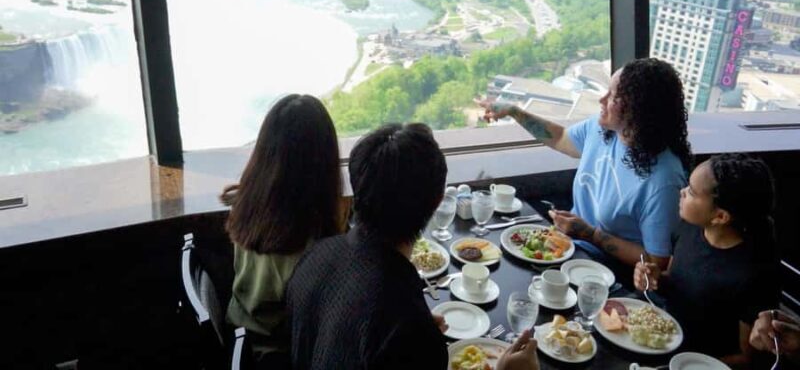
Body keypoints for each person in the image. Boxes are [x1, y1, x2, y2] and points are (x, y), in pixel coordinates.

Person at [285, 123, 539, 370]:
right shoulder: (406, 325)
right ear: (438, 201)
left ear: (357, 188)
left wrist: (409, 329)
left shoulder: (315, 256)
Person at [479, 58, 691, 272]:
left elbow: (657, 263)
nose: (602, 99)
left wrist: (591, 235)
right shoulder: (604, 130)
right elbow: (561, 137)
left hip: (611, 272)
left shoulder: (663, 182)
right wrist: (514, 112)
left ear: (638, 110)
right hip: (567, 248)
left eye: (613, 96)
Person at [221, 94, 343, 361]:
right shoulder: (305, 244)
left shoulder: (248, 200)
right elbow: (326, 323)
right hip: (278, 355)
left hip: (243, 333)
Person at [634, 154, 779, 365]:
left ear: (720, 217)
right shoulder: (690, 227)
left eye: (691, 192)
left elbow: (747, 358)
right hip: (665, 338)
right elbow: (675, 282)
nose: (682, 192)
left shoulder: (754, 274)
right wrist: (654, 278)